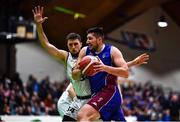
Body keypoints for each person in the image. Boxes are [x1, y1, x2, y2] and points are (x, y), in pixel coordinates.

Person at [32, 6, 149, 121]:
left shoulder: (93, 54)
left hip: (95, 97)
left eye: (76, 44)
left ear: (81, 43)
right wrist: (38, 25)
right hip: (79, 100)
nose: (73, 47)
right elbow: (47, 46)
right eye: (70, 45)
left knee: (84, 116)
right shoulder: (68, 56)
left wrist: (132, 63)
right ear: (67, 45)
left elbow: (110, 68)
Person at [72, 27, 149, 121]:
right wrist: (81, 70)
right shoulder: (84, 51)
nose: (87, 41)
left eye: (90, 38)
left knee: (83, 115)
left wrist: (104, 68)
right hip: (96, 94)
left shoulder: (112, 51)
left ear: (99, 39)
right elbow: (74, 75)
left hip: (109, 92)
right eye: (87, 38)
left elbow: (125, 73)